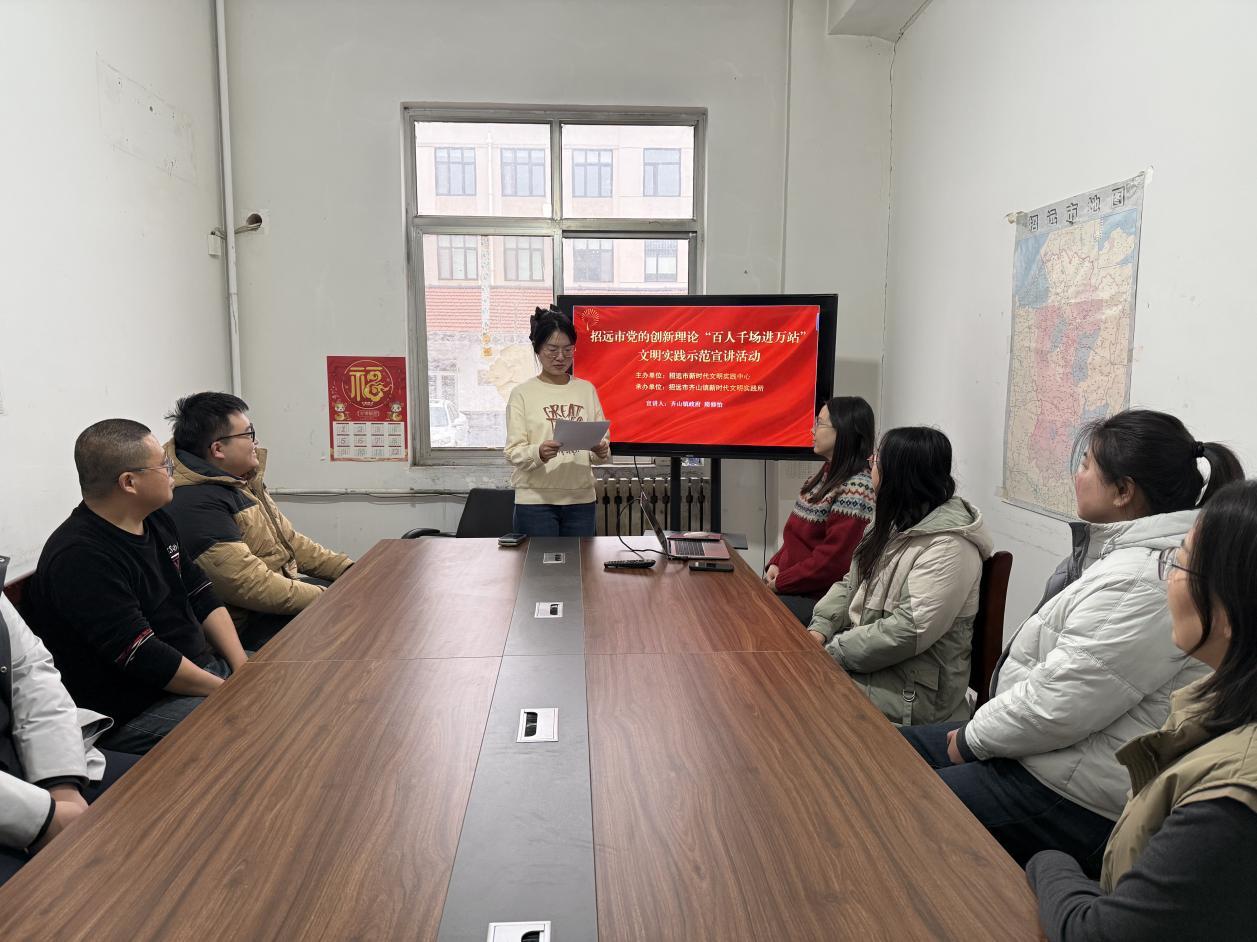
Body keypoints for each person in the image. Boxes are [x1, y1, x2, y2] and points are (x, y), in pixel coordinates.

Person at [902, 410, 1244, 875]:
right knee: (883, 754)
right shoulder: (1123, 555)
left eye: (1085, 465)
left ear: (1123, 491)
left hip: (1072, 797)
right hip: (1046, 754)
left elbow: (1060, 702)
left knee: (898, 802)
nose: (1076, 476)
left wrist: (970, 739)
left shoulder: (1143, 578)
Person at [1027, 479, 1257, 940]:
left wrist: (1046, 858)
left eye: (1180, 562)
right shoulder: (1217, 704)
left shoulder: (1234, 799)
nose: (1168, 577)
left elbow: (1100, 933)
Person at [25, 419, 248, 754]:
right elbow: (141, 654)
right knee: (253, 719)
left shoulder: (155, 518)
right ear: (129, 482)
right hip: (137, 709)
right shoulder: (79, 556)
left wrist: (243, 668)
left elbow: (200, 593)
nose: (172, 472)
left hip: (197, 673)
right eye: (164, 465)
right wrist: (228, 690)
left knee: (279, 681)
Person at [806, 427, 992, 725]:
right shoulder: (894, 523)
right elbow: (851, 583)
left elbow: (907, 632)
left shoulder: (949, 546)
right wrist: (821, 627)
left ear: (900, 475)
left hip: (912, 694)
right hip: (875, 666)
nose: (871, 464)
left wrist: (836, 651)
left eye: (877, 459)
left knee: (797, 700)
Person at [165, 393, 353, 650]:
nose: (256, 442)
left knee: (355, 603)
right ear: (218, 449)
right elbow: (250, 585)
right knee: (347, 628)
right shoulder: (195, 502)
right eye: (248, 434)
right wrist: (330, 597)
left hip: (270, 605)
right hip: (243, 630)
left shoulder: (238, 480)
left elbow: (290, 542)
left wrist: (348, 571)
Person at [0, 567, 139, 888]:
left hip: (29, 760)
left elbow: (30, 670)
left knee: (162, 793)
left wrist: (61, 783)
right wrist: (42, 819)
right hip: (13, 806)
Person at [765, 396, 876, 625]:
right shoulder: (819, 479)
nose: (812, 430)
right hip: (792, 586)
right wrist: (775, 563)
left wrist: (782, 582)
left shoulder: (858, 488)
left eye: (820, 423)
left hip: (820, 599)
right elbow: (793, 537)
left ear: (844, 431)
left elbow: (833, 562)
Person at [504, 305, 610, 537]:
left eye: (568, 349)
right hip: (535, 501)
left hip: (581, 500)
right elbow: (513, 452)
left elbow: (602, 445)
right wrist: (538, 452)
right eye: (552, 349)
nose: (561, 357)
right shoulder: (522, 394)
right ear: (537, 349)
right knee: (538, 561)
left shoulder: (586, 390)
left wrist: (601, 450)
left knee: (581, 560)